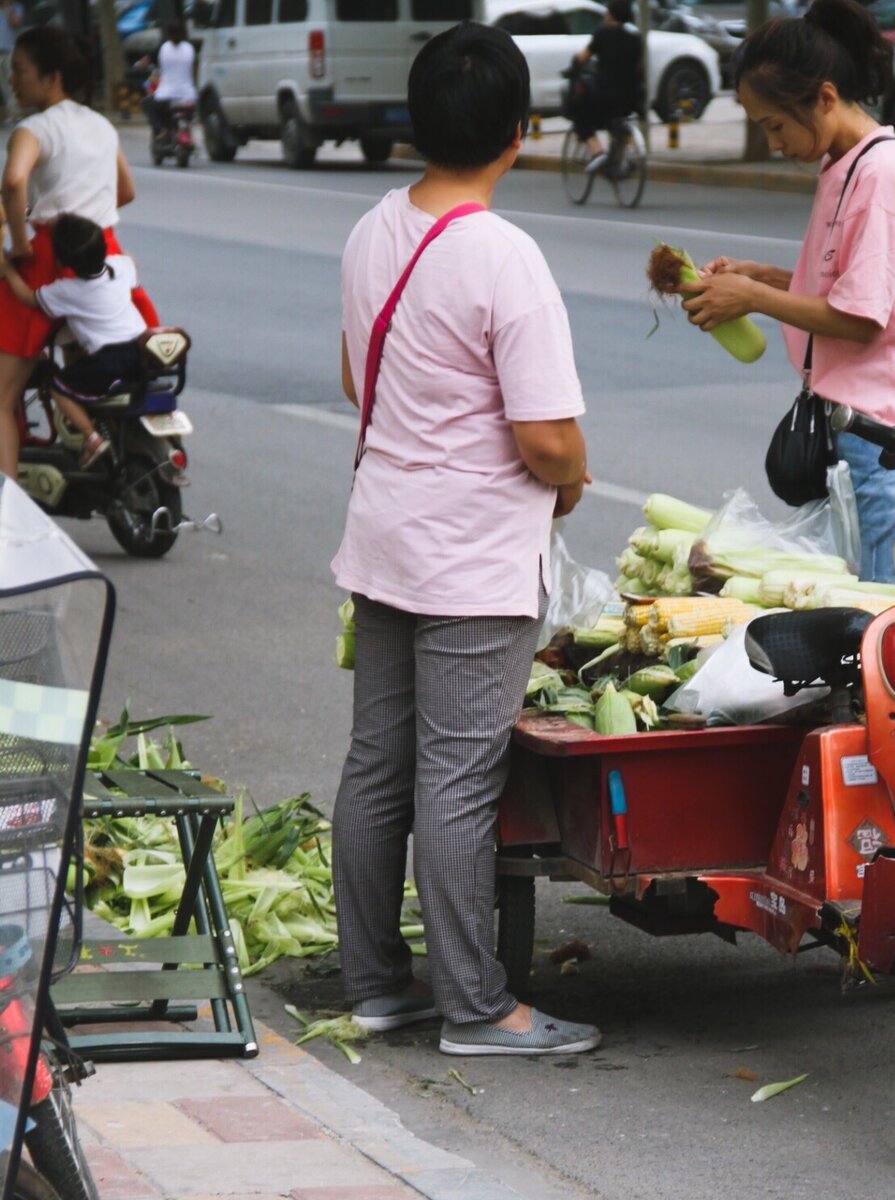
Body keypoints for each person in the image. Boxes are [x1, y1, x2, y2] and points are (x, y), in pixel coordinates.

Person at [331, 21, 599, 1056]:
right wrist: (572, 476)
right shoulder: (504, 256)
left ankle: (375, 985)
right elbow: (544, 436)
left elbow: (360, 378)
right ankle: (478, 1008)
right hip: (473, 556)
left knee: (376, 766)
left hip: (386, 535)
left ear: (415, 123)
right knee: (454, 778)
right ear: (520, 133)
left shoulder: (371, 229)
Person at [673, 0, 895, 583]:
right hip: (859, 435)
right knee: (866, 619)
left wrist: (752, 299)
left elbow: (860, 318)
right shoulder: (845, 165)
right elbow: (854, 284)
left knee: (887, 629)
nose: (775, 143)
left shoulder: (883, 173)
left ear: (825, 98)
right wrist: (763, 276)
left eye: (775, 125)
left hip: (889, 441)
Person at [0, 26, 158, 481]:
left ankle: (11, 510)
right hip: (103, 251)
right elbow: (125, 191)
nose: (12, 80)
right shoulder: (102, 125)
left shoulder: (32, 128)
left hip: (47, 260)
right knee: (86, 360)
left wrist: (22, 244)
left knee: (4, 396)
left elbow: (13, 182)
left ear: (51, 77)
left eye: (19, 70)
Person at [1, 213, 147, 468]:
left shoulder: (67, 291)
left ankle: (91, 437)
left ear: (61, 261)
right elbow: (132, 264)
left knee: (57, 385)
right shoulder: (120, 266)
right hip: (139, 350)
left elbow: (28, 298)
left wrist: (8, 271)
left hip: (108, 360)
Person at [569, 0, 641, 174]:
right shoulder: (635, 39)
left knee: (581, 117)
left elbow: (583, 57)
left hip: (605, 95)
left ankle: (597, 153)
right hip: (631, 98)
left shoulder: (602, 34)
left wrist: (573, 67)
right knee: (615, 120)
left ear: (611, 14)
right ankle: (617, 160)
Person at [141, 20, 196, 139]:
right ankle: (185, 131)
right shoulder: (190, 48)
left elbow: (145, 62)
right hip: (188, 96)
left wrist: (138, 65)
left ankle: (161, 129)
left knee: (146, 103)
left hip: (166, 96)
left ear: (168, 34)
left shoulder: (163, 49)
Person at [0, 0, 23, 123]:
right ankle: (11, 112)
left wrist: (7, 8)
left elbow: (15, 23)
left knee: (11, 81)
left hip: (9, 49)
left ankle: (16, 112)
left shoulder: (16, 8)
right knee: (3, 84)